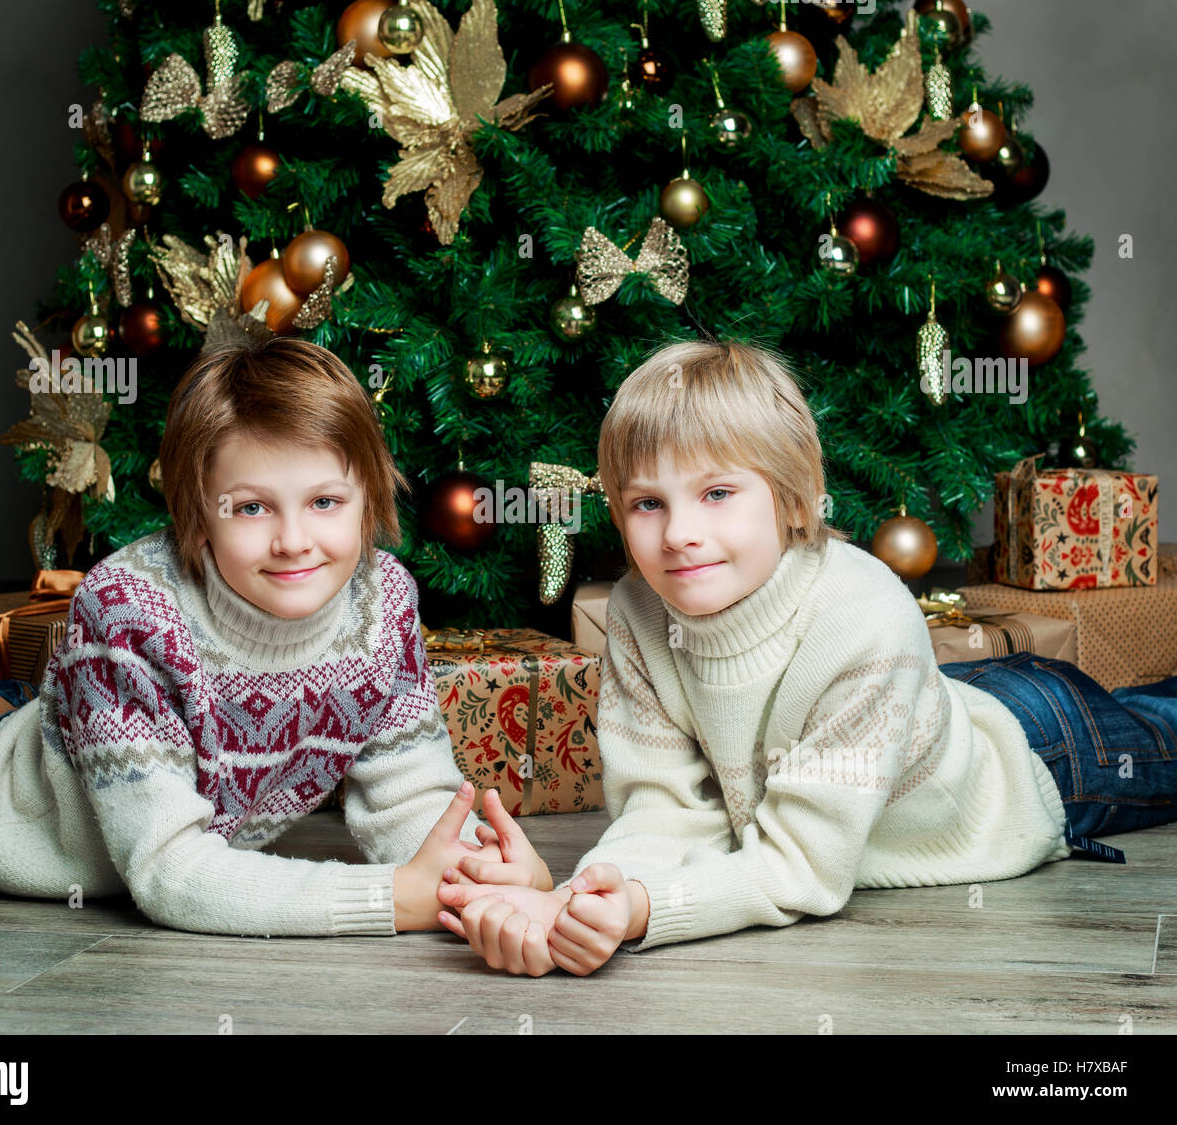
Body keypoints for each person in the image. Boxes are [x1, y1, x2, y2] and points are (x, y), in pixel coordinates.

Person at [435, 337, 1177, 976]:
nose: (679, 533)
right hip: (931, 700)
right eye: (647, 503)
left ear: (792, 500)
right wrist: (583, 902)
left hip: (1041, 751)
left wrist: (645, 911)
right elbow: (662, 807)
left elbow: (801, 871)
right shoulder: (636, 609)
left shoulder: (863, 617)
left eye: (718, 492)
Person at [0, 337, 551, 935]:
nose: (293, 542)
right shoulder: (127, 609)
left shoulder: (383, 600)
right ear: (198, 513)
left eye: (325, 501)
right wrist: (390, 900)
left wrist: (478, 870)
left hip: (46, 717)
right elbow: (170, 872)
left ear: (370, 497)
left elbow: (411, 799)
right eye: (251, 507)